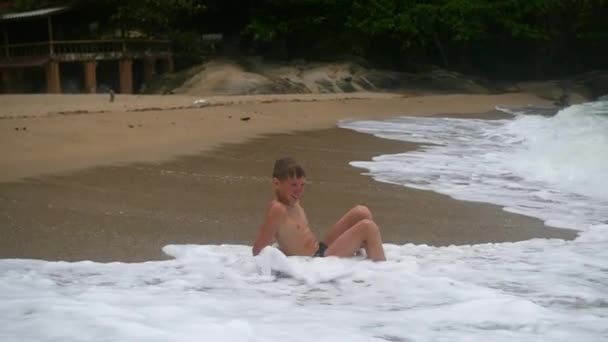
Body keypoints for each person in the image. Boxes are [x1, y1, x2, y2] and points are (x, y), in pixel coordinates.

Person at [252, 157, 386, 261]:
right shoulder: (278, 209)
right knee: (368, 227)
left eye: (302, 185)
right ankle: (382, 275)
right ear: (276, 183)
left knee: (362, 212)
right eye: (293, 185)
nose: (299, 191)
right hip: (315, 262)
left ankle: (364, 257)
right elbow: (258, 250)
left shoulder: (293, 201)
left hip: (320, 249)